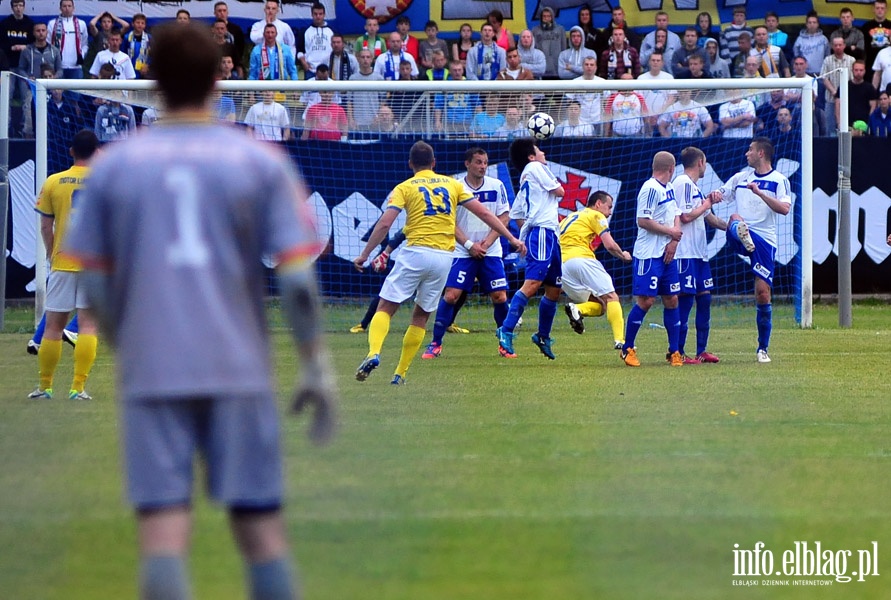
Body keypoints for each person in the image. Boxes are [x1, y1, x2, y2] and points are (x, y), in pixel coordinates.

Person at [65, 22, 335, 599]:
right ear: (221, 76)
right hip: (236, 367)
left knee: (163, 534)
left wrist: (127, 344)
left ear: (151, 78)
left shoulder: (115, 166)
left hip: (154, 369)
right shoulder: (257, 160)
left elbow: (97, 283)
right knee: (261, 530)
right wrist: (315, 363)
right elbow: (295, 277)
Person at [353, 141, 524, 384]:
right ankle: (400, 373)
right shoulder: (452, 184)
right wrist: (512, 239)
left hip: (416, 253)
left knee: (386, 307)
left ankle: (374, 352)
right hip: (444, 258)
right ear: (434, 163)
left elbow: (385, 223)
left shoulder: (404, 187)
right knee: (421, 316)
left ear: (410, 164)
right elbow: (486, 214)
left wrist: (365, 254)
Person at [28, 129, 99, 400]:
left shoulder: (54, 182)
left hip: (63, 260)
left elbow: (46, 224)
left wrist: (50, 252)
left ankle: (45, 387)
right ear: (98, 151)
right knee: (89, 326)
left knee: (54, 327)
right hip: (94, 264)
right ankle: (78, 388)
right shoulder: (105, 181)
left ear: (71, 151)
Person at [423, 148, 511, 359]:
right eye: (478, 162)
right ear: (467, 164)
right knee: (451, 295)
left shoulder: (496, 186)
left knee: (500, 296)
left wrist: (487, 243)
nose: (483, 166)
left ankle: (505, 343)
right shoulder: (454, 186)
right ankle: (435, 343)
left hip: (490, 250)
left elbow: (504, 217)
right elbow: (449, 222)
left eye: (485, 163)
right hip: (463, 251)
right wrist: (470, 244)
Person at [711, 137, 792, 363]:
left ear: (761, 154)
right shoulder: (740, 177)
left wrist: (759, 193)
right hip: (741, 233)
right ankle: (742, 234)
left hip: (765, 240)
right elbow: (721, 195)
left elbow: (784, 209)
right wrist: (713, 196)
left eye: (750, 150)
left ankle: (762, 348)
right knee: (735, 218)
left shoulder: (779, 180)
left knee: (763, 293)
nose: (747, 153)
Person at [497, 138, 566, 360]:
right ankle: (506, 330)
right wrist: (531, 233)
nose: (543, 153)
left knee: (554, 289)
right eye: (539, 150)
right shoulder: (537, 167)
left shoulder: (527, 177)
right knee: (533, 283)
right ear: (531, 156)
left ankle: (543, 336)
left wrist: (524, 235)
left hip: (549, 235)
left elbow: (516, 213)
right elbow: (561, 191)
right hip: (543, 233)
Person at [620, 151, 683, 368]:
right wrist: (670, 232)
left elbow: (676, 212)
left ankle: (674, 351)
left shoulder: (670, 188)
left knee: (672, 299)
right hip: (649, 254)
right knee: (646, 301)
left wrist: (674, 240)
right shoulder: (650, 188)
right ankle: (627, 348)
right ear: (671, 168)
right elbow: (643, 221)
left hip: (667, 252)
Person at [673, 147, 727, 363]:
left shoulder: (694, 187)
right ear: (701, 162)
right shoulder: (683, 183)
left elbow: (708, 217)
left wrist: (734, 228)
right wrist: (708, 202)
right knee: (685, 301)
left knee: (704, 298)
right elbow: (686, 216)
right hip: (684, 254)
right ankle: (678, 351)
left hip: (699, 254)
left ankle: (701, 351)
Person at [560, 191, 631, 349]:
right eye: (609, 207)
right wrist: (623, 256)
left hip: (562, 267)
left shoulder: (569, 218)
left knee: (601, 306)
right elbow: (610, 244)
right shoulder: (595, 215)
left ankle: (576, 308)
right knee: (612, 297)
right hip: (581, 259)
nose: (610, 212)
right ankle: (621, 341)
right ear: (598, 203)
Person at [821, 37, 855, 135]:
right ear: (832, 46)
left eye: (840, 45)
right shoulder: (827, 60)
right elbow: (824, 77)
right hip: (831, 99)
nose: (838, 47)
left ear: (844, 45)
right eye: (836, 45)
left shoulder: (851, 60)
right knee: (830, 126)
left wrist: (843, 94)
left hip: (847, 100)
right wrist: (835, 92)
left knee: (846, 127)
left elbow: (852, 78)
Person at [47, 0, 88, 79]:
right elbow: (48, 43)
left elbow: (85, 44)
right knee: (58, 91)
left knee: (76, 91)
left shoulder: (81, 24)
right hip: (58, 67)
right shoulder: (52, 24)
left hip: (76, 67)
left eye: (69, 6)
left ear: (73, 8)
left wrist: (81, 55)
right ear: (60, 8)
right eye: (64, 6)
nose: (67, 8)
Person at [348, 48, 385, 132]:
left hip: (374, 122)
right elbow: (349, 101)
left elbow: (383, 101)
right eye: (363, 57)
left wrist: (379, 117)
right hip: (357, 123)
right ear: (358, 59)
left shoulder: (379, 78)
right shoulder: (353, 79)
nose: (365, 59)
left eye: (368, 57)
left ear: (372, 59)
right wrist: (350, 119)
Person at [839, 60, 878, 129]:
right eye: (856, 70)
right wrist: (839, 123)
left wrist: (869, 122)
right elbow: (838, 104)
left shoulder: (869, 88)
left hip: (864, 124)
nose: (858, 72)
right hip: (847, 124)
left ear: (865, 71)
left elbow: (873, 106)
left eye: (861, 70)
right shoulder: (844, 86)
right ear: (852, 71)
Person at [297, 2, 332, 78]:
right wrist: (304, 63)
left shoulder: (332, 31)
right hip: (311, 70)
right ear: (312, 15)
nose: (318, 16)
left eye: (320, 14)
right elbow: (299, 51)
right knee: (309, 90)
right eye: (315, 14)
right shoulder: (305, 31)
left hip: (328, 70)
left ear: (324, 15)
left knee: (329, 90)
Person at [532, 6, 566, 79]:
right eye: (544, 16)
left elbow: (564, 48)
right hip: (542, 69)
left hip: (557, 68)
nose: (546, 18)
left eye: (548, 16)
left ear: (552, 17)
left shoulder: (560, 29)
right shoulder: (535, 30)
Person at [862, 0, 891, 81]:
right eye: (877, 8)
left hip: (888, 65)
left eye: (882, 8)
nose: (880, 10)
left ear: (886, 10)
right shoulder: (866, 26)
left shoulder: (890, 25)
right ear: (873, 9)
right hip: (870, 64)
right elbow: (863, 47)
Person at [213, 1, 245, 69]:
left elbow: (240, 48)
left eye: (224, 11)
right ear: (215, 13)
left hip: (232, 67)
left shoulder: (236, 29)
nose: (222, 13)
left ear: (227, 13)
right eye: (219, 11)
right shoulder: (210, 30)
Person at [124, 13, 150, 78]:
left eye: (142, 23)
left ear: (145, 25)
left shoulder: (149, 38)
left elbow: (152, 54)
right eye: (138, 22)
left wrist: (147, 65)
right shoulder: (127, 37)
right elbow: (123, 52)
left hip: (143, 70)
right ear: (133, 24)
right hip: (129, 67)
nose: (140, 25)